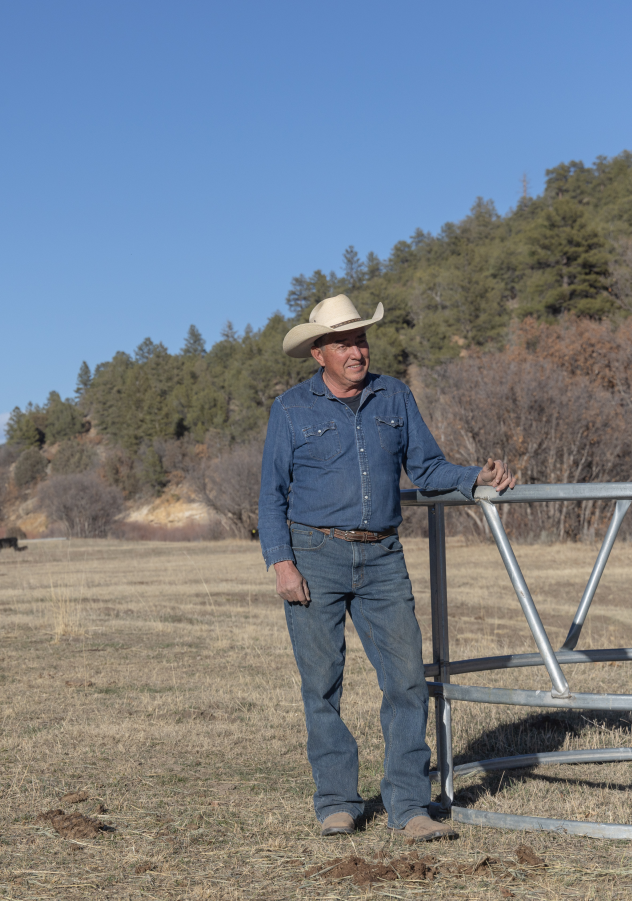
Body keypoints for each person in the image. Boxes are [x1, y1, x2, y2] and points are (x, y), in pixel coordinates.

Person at [259, 294, 515, 841]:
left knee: (405, 682)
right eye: (344, 343)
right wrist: (282, 563)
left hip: (382, 556)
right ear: (318, 353)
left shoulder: (393, 394)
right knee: (322, 684)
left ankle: (409, 806)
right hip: (314, 554)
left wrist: (476, 477)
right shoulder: (291, 409)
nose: (357, 351)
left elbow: (426, 467)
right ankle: (337, 800)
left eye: (361, 340)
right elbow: (271, 494)